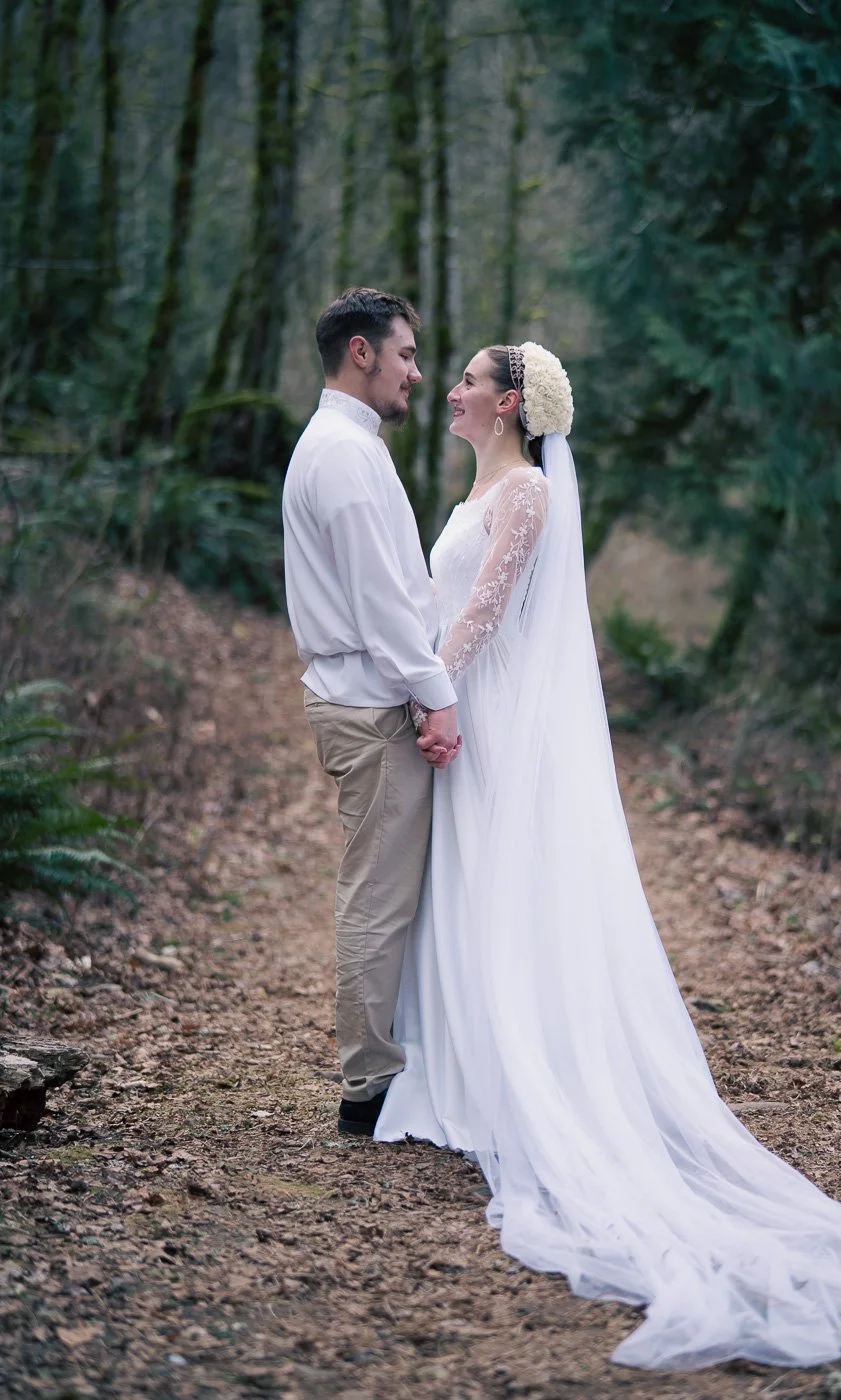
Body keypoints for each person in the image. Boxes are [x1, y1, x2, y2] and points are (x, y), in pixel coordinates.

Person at [375, 341, 841, 1369]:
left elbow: (489, 612)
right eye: (445, 378)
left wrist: (431, 687)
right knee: (454, 895)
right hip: (458, 710)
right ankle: (451, 1073)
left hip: (486, 719)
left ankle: (508, 1079)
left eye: (464, 381)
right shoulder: (480, 484)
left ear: (505, 405)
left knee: (500, 894)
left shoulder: (531, 492)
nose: (447, 391)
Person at [282, 288, 460, 1140]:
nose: (416, 375)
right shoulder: (343, 458)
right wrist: (436, 694)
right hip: (369, 705)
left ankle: (383, 1069)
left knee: (384, 893)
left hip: (363, 696)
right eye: (404, 356)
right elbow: (383, 605)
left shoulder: (346, 447)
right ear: (361, 353)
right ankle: (369, 1089)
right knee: (377, 899)